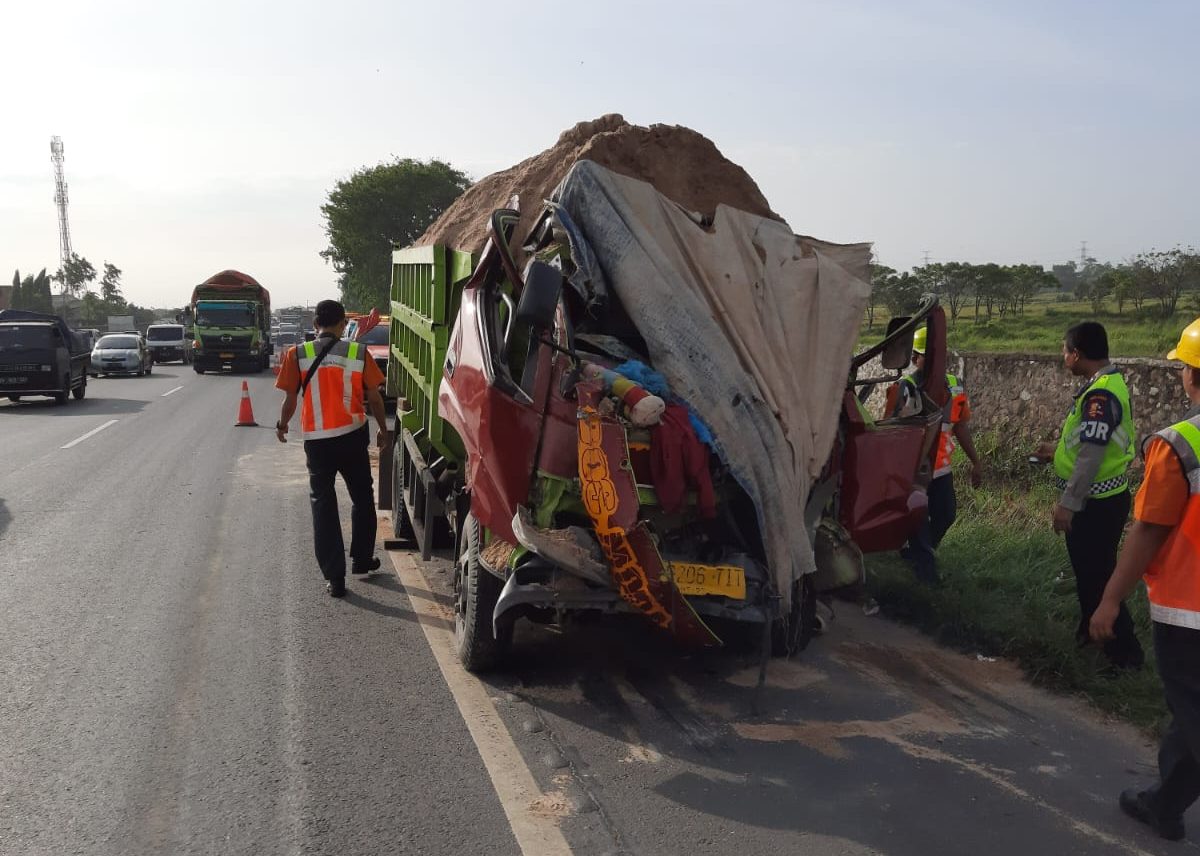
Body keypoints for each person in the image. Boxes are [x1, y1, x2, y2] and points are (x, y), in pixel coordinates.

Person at [1090, 317, 1200, 841]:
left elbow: (1149, 532)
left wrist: (1110, 600)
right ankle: (1165, 804)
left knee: (1195, 712)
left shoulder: (1179, 443)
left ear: (1190, 374)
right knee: (1189, 713)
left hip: (1189, 612)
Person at [1032, 321, 1143, 669]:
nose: (1063, 357)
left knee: (1097, 577)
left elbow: (1093, 454)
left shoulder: (1100, 395)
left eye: (1064, 351)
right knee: (1091, 574)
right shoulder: (1106, 384)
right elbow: (1090, 442)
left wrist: (1069, 503)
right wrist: (1055, 449)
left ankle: (1124, 655)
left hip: (1096, 503)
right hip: (1103, 499)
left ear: (1076, 354)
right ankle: (1091, 637)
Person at [275, 299, 390, 597]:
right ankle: (362, 560)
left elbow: (290, 399)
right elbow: (375, 398)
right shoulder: (358, 351)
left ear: (315, 325)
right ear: (342, 325)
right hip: (352, 436)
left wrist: (283, 424)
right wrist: (384, 431)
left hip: (317, 442)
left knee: (323, 506)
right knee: (363, 499)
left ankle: (334, 578)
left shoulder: (296, 354)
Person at [887, 325, 983, 584]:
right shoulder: (904, 389)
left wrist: (976, 462)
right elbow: (891, 431)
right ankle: (926, 578)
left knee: (946, 514)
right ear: (915, 358)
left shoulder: (955, 387)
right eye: (927, 356)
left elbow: (960, 426)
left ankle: (916, 553)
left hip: (941, 470)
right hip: (913, 472)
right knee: (918, 519)